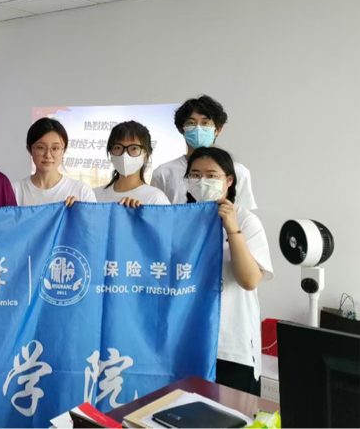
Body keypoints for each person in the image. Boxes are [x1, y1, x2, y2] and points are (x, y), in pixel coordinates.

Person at [185, 147, 273, 395]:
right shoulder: (181, 220)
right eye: (195, 175)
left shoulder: (246, 221)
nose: (202, 181)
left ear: (229, 180)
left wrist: (232, 228)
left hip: (231, 348)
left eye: (212, 175)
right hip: (187, 342)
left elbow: (249, 280)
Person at [151, 95, 257, 208]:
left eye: (205, 123)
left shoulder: (238, 171)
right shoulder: (163, 172)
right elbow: (156, 212)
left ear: (218, 129)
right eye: (191, 123)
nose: (198, 128)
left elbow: (243, 212)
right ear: (181, 129)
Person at [12, 117, 95, 207]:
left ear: (63, 151)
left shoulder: (82, 192)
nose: (48, 155)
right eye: (41, 148)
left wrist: (81, 210)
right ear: (30, 150)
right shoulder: (14, 191)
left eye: (55, 148)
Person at [93, 121, 170, 206]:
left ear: (146, 156)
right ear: (111, 153)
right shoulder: (93, 196)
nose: (124, 155)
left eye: (134, 148)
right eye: (118, 147)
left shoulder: (156, 199)